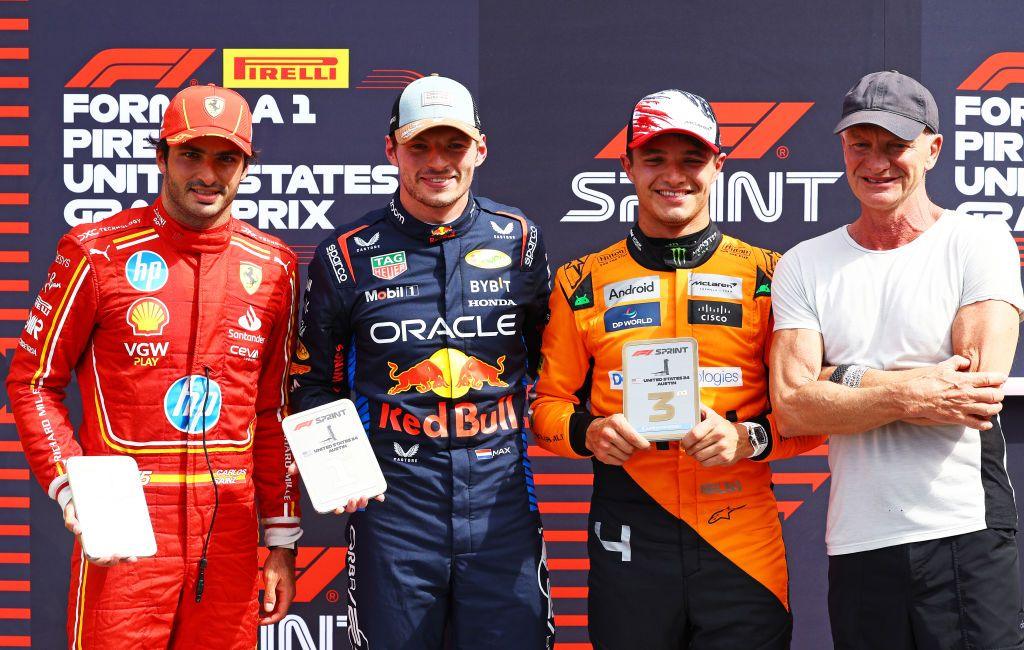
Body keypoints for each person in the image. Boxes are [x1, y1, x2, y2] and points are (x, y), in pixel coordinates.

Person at [6, 84, 302, 648]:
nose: (208, 174)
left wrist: (282, 541)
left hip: (231, 533)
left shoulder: (275, 266)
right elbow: (33, 381)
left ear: (245, 167)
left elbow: (272, 412)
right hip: (126, 528)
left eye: (226, 158)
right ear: (161, 156)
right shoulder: (97, 251)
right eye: (191, 154)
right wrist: (72, 484)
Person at [532, 89, 824, 650]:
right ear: (627, 166)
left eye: (691, 159)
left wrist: (748, 438)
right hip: (629, 539)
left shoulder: (772, 276)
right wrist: (587, 433)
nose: (674, 176)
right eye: (654, 158)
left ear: (719, 164)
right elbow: (545, 408)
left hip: (741, 543)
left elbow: (812, 410)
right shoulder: (581, 281)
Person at [290, 74, 554, 649]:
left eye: (453, 145)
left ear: (479, 149)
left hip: (500, 512)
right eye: (420, 146)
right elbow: (313, 385)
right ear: (392, 150)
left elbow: (550, 365)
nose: (438, 162)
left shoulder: (520, 239)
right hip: (395, 518)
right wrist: (338, 468)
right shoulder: (345, 255)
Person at [769, 70, 1024, 649]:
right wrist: (912, 389)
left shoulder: (977, 242)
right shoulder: (805, 264)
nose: (876, 161)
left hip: (964, 530)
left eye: (895, 145)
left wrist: (839, 378)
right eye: (861, 143)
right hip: (857, 541)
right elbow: (793, 408)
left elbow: (973, 391)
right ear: (842, 148)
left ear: (933, 150)